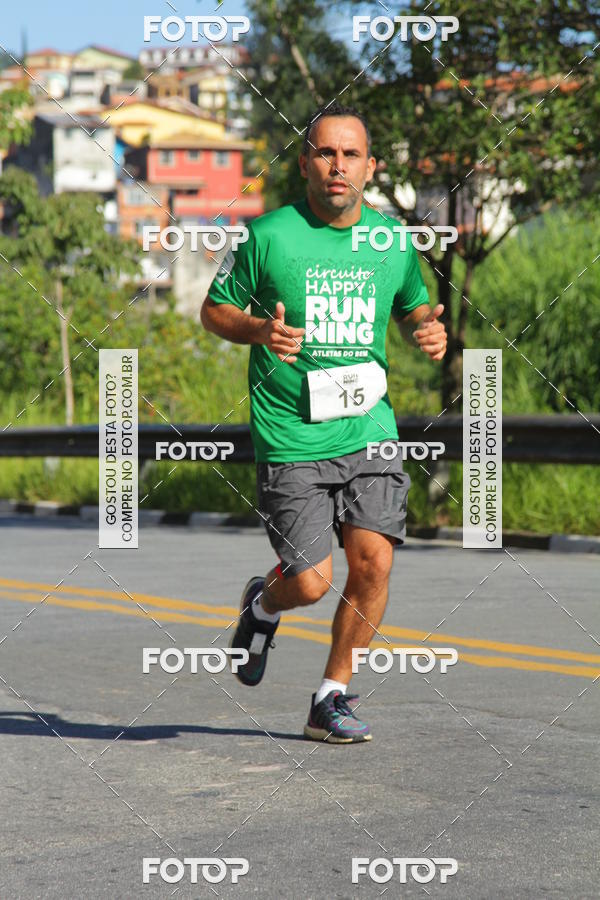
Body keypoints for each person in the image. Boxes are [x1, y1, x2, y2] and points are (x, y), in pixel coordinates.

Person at [200, 101, 447, 743]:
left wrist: (428, 330)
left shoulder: (391, 240)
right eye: (325, 153)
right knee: (310, 583)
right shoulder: (270, 235)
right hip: (290, 434)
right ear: (307, 162)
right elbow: (214, 311)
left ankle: (330, 696)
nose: (338, 166)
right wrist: (259, 329)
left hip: (369, 427)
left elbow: (414, 308)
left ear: (371, 167)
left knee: (373, 565)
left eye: (351, 155)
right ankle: (263, 603)